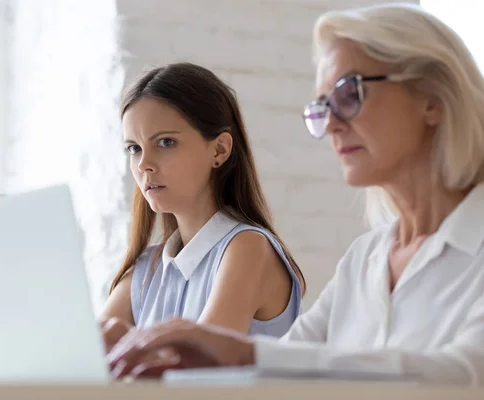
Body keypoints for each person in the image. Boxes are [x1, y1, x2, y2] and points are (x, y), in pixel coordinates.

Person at [106, 3, 484, 386]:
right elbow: (289, 364)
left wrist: (238, 351)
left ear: (432, 98)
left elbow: (466, 372)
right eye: (323, 106)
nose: (331, 124)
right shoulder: (364, 260)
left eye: (348, 93)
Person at [0, 62, 306, 384]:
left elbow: (197, 374)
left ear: (219, 149)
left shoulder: (246, 248)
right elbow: (79, 357)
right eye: (133, 148)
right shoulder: (146, 269)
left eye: (165, 142)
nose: (144, 164)